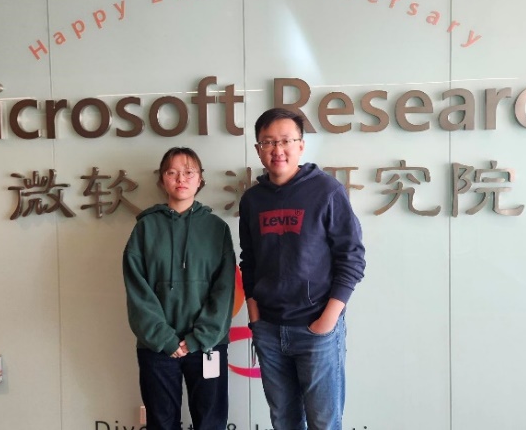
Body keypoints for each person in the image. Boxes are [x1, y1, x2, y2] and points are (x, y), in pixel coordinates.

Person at [239, 108, 366, 430]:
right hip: (268, 328)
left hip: (316, 329)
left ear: (301, 145)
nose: (277, 150)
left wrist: (328, 319)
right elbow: (249, 259)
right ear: (258, 149)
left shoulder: (326, 191)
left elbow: (351, 256)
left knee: (324, 422)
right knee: (284, 421)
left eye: (285, 141)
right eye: (268, 142)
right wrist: (255, 315)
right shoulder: (252, 200)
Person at [123, 147, 235, 430]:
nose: (181, 179)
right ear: (162, 180)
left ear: (200, 180)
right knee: (161, 424)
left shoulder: (217, 229)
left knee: (211, 423)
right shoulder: (145, 229)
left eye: (189, 172)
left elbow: (224, 290)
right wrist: (165, 340)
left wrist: (200, 337)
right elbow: (137, 290)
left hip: (208, 345)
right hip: (158, 347)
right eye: (172, 172)